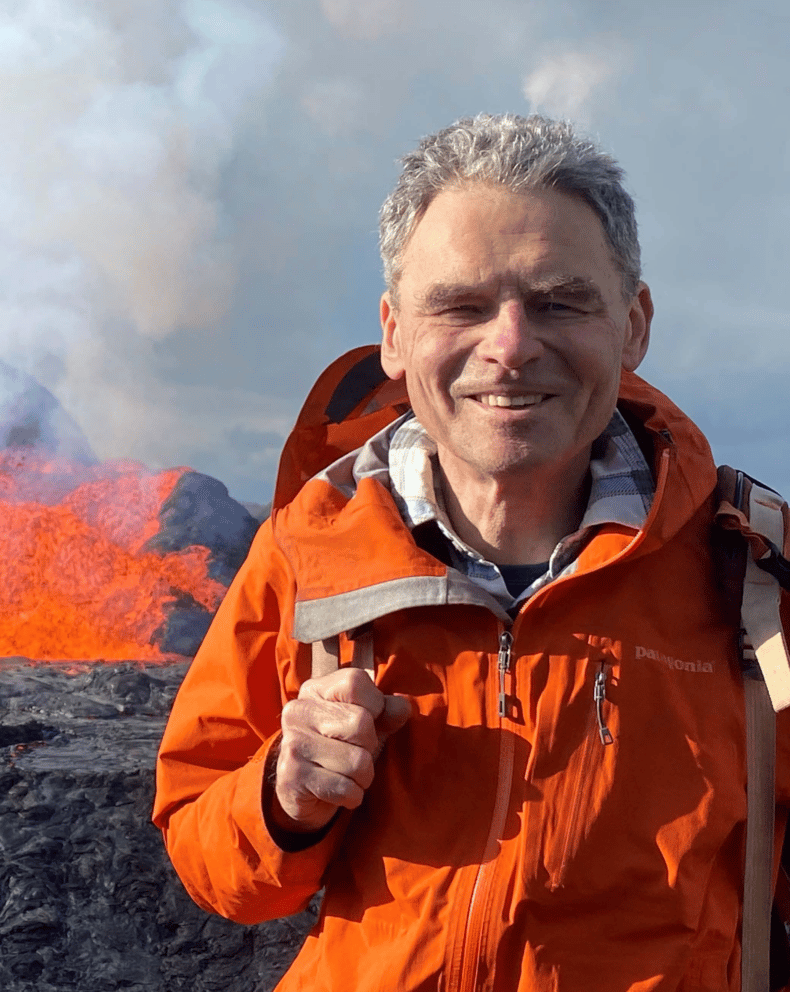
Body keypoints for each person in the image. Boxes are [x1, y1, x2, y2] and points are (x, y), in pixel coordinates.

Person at [152, 114, 790, 991]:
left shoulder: (757, 576)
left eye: (560, 301)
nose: (511, 344)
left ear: (634, 325)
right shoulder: (310, 551)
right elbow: (205, 850)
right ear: (394, 332)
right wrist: (281, 800)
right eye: (460, 304)